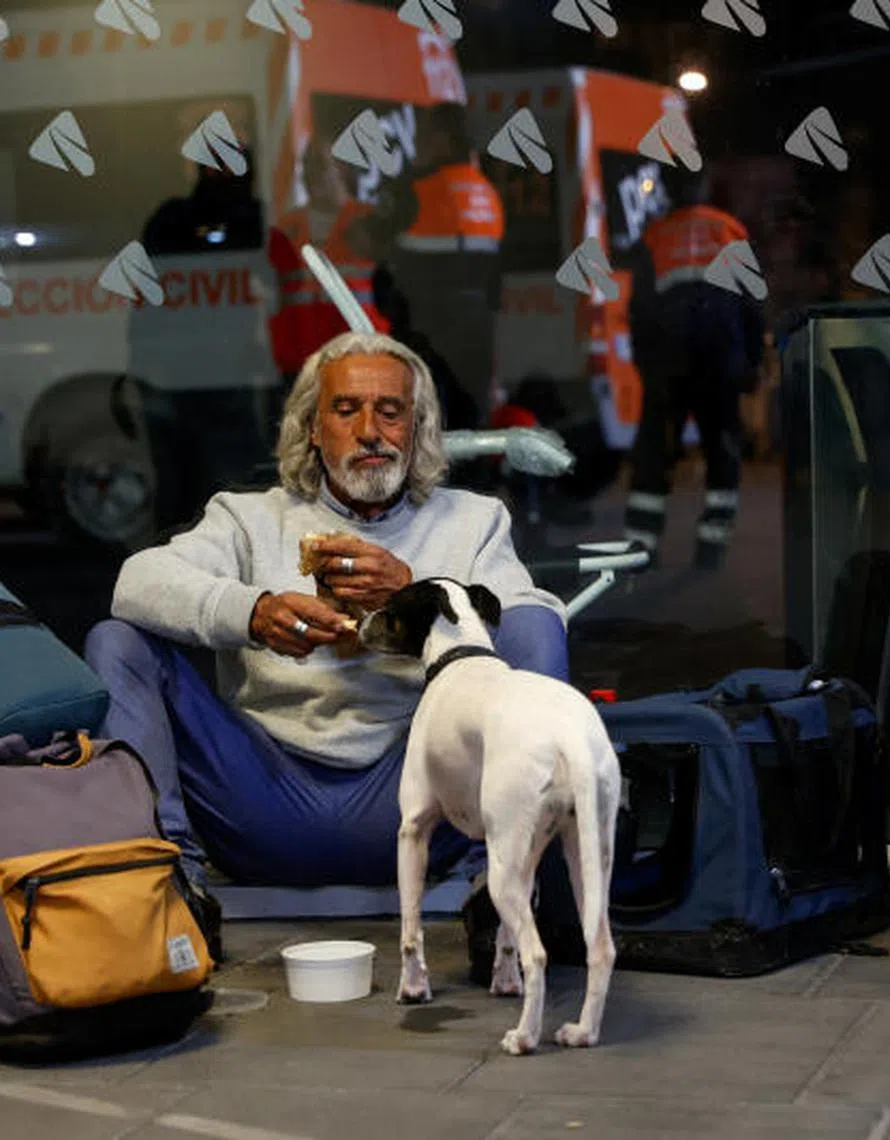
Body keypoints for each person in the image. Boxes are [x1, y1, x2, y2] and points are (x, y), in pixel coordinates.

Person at [84, 331, 569, 892]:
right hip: (260, 796)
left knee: (535, 622)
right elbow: (136, 583)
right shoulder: (247, 518)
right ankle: (166, 888)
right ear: (312, 428)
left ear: (417, 430)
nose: (369, 432)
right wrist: (254, 613)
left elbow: (529, 634)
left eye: (391, 412)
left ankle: (507, 887)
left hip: (416, 798)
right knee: (118, 641)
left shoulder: (473, 520)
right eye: (345, 410)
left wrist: (417, 597)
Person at [622, 171, 765, 570]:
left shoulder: (657, 235)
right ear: (706, 188)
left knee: (655, 449)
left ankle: (641, 546)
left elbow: (641, 310)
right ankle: (712, 545)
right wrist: (752, 363)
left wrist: (644, 362)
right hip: (720, 359)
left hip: (669, 361)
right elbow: (752, 305)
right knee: (721, 447)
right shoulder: (730, 230)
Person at [391, 102, 505, 423]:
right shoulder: (489, 195)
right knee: (474, 423)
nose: (419, 142)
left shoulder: (421, 191)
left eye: (426, 133)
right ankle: (479, 473)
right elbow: (496, 280)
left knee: (431, 427)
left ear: (445, 138)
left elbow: (392, 264)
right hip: (479, 329)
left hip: (431, 328)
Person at [267, 138, 405, 382]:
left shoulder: (369, 222)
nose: (311, 174)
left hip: (360, 359)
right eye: (306, 165)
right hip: (303, 366)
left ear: (343, 168)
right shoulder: (286, 229)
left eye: (320, 164)